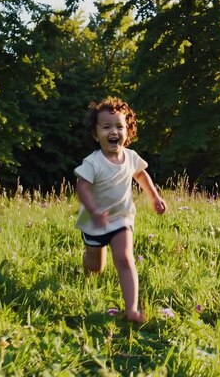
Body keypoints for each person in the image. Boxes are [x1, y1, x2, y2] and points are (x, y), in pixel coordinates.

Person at [74, 97, 167, 323]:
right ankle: (88, 261)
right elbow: (82, 188)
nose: (113, 131)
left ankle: (132, 309)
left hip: (121, 219)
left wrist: (154, 196)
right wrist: (94, 210)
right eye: (106, 127)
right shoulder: (93, 162)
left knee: (125, 259)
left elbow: (141, 175)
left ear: (128, 132)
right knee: (96, 266)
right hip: (93, 221)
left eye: (119, 126)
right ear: (96, 135)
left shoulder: (131, 157)